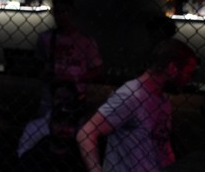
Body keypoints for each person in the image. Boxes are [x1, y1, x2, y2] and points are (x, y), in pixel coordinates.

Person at [76, 38, 199, 172]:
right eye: (188, 73)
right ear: (172, 68)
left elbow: (162, 146)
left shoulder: (162, 101)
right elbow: (86, 133)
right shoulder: (131, 95)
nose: (188, 79)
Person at [35, 0, 103, 115]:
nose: (61, 16)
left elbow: (97, 69)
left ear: (73, 13)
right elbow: (38, 62)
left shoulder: (85, 40)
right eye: (58, 12)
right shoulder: (45, 38)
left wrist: (74, 78)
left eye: (65, 11)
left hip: (75, 93)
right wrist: (44, 74)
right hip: (50, 95)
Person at [17, 81, 82, 158]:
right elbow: (22, 153)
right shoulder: (34, 126)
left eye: (67, 98)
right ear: (52, 98)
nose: (62, 101)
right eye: (58, 97)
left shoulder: (82, 128)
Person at [16, 100, 86, 172]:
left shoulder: (84, 159)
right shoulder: (33, 157)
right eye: (59, 122)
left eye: (71, 123)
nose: (64, 127)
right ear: (50, 124)